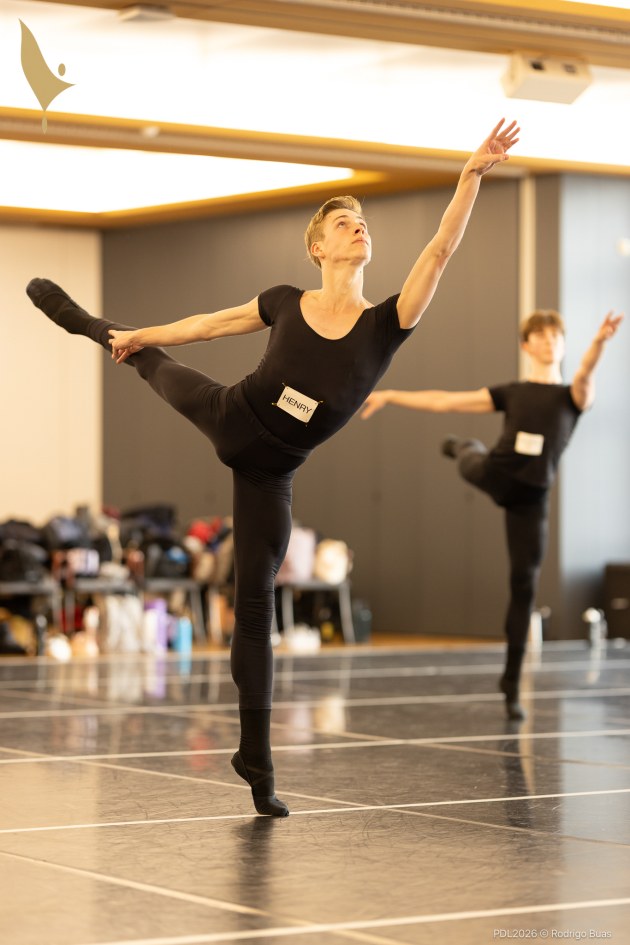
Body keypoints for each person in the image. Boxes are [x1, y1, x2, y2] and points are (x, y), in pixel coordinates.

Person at [25, 118, 519, 815]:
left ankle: (255, 760)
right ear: (318, 246)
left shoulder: (388, 322)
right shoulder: (285, 300)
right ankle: (88, 322)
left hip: (270, 473)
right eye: (343, 223)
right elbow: (208, 325)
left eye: (361, 222)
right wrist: (140, 333)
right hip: (230, 414)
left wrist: (469, 176)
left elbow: (439, 250)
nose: (357, 229)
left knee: (254, 602)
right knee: (151, 360)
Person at [361, 308, 623, 720]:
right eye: (539, 335)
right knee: (469, 457)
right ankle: (463, 448)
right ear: (526, 345)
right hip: (494, 473)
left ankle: (511, 683)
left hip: (531, 500)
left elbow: (587, 370)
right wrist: (391, 395)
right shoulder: (513, 392)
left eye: (555, 336)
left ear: (564, 345)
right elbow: (446, 401)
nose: (548, 341)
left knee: (524, 586)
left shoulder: (574, 397)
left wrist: (600, 342)